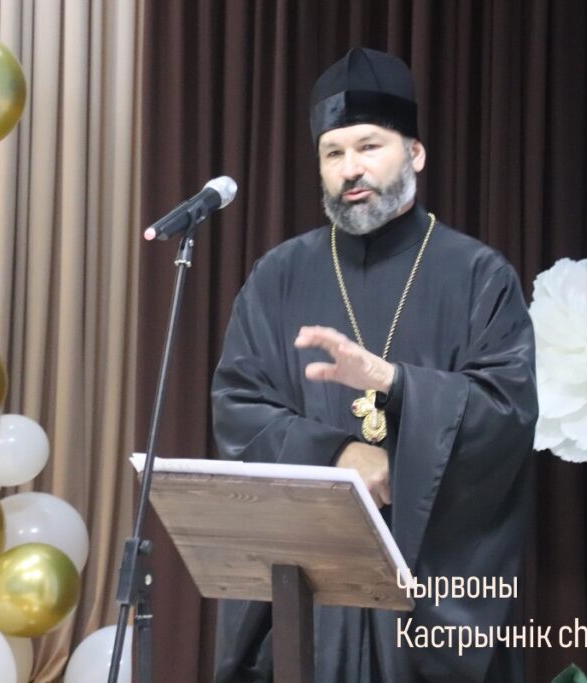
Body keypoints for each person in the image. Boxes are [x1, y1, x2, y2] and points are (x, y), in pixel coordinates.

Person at [211, 47, 538, 682]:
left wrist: (395, 383)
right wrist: (337, 454)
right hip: (309, 590)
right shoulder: (279, 275)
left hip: (427, 591)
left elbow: (508, 410)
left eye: (369, 146)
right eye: (333, 153)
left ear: (415, 153)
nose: (350, 169)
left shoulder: (478, 275)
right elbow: (238, 407)